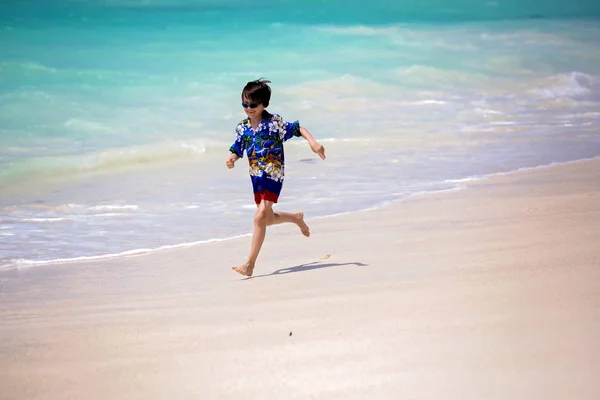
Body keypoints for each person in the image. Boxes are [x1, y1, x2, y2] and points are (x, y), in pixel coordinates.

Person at [226, 79, 326, 276]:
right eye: (245, 104)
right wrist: (232, 158)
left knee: (258, 217)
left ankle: (249, 264)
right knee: (266, 218)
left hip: (273, 174)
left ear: (264, 104)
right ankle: (296, 218)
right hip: (256, 177)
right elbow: (238, 147)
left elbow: (299, 129)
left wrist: (313, 144)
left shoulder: (274, 123)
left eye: (253, 104)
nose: (248, 108)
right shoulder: (242, 127)